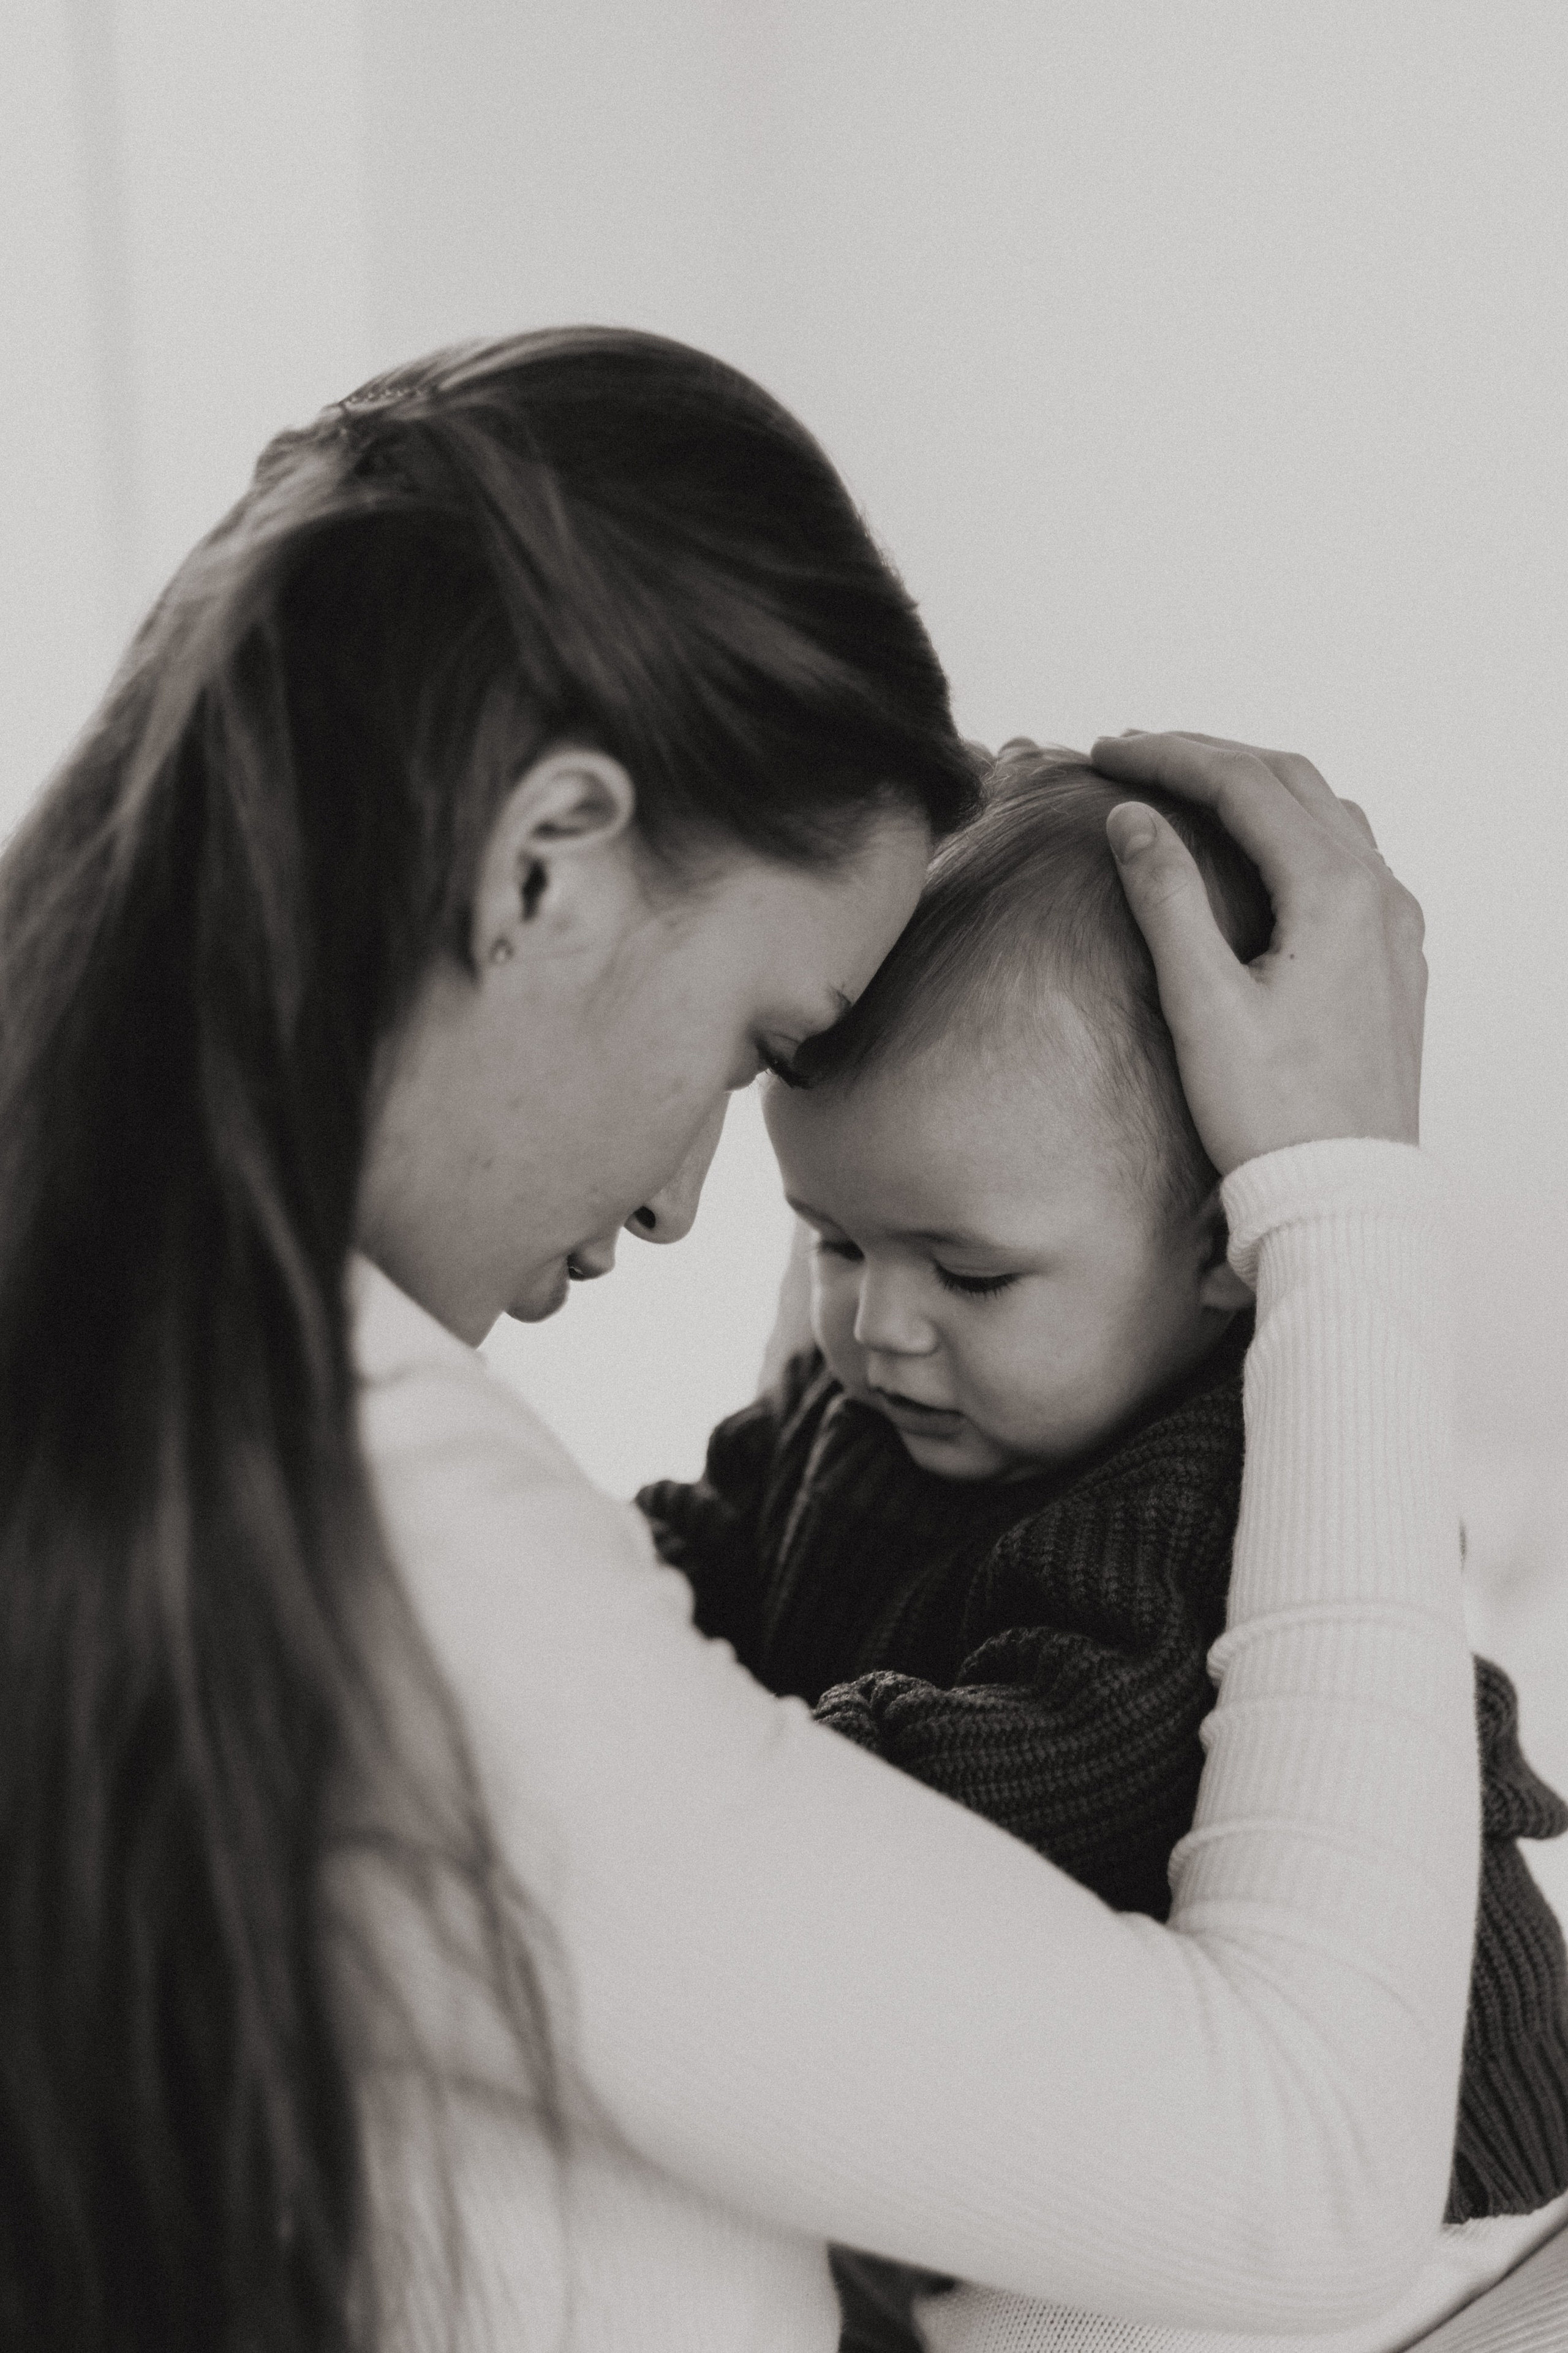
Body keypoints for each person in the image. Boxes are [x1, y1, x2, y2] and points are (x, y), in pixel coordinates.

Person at [0, 327, 1480, 2353]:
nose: (689, 1199)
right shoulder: (351, 1517)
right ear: (544, 862)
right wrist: (1353, 1204)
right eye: (755, 1049)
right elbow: (1306, 2172)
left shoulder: (142, 1370)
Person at [640, 744, 1568, 2353]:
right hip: (1116, 2099)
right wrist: (609, 1608)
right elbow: (708, 1556)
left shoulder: (1210, 1489)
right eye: (835, 1238)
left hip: (1439, 2218)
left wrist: (740, 1752)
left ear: (1221, 1248)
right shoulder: (866, 1404)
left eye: (971, 1272)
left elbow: (1030, 1782)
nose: (880, 1321)